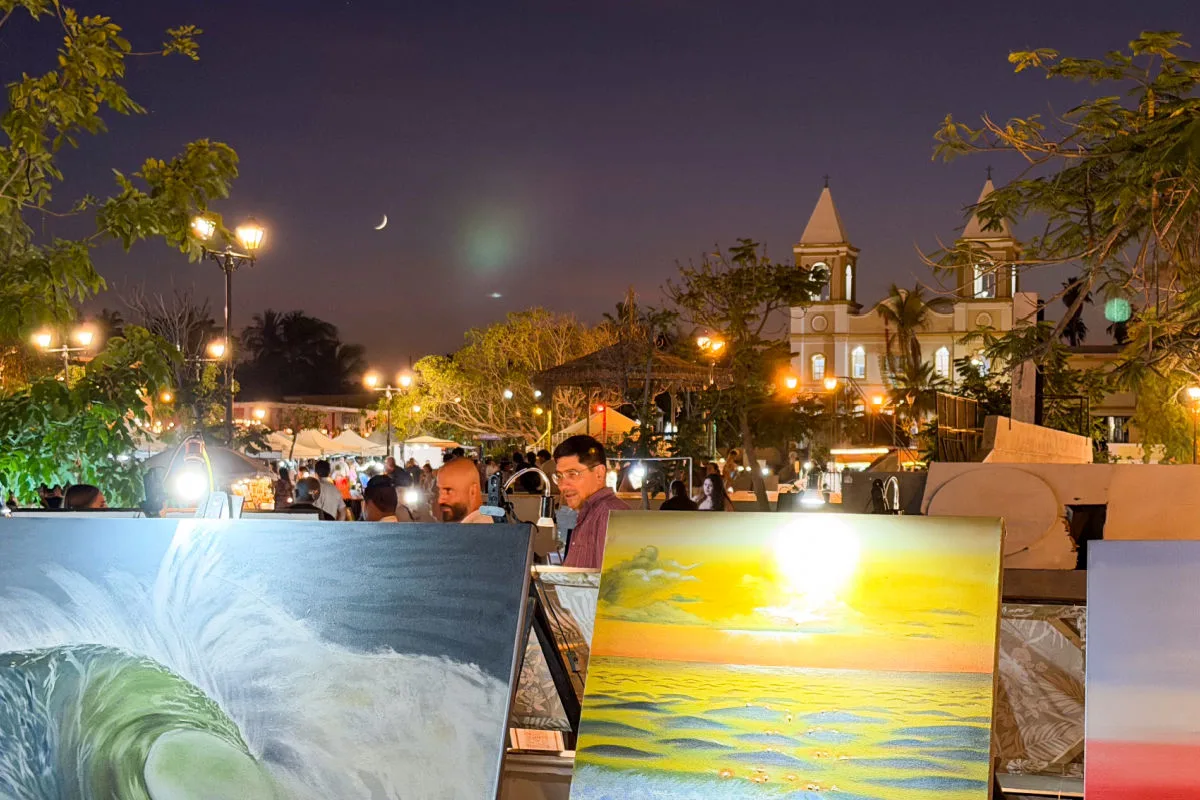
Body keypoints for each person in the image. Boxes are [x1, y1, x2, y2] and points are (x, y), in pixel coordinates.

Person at [555, 435, 628, 569]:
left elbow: (613, 585)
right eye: (559, 476)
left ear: (599, 473)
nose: (562, 486)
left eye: (572, 474)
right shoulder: (587, 514)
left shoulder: (610, 514)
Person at [436, 457, 493, 523]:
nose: (440, 500)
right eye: (440, 491)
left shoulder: (478, 529)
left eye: (448, 491)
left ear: (473, 491)